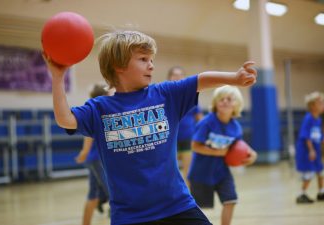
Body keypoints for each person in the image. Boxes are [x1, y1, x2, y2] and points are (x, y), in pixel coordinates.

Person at [43, 30, 257, 225]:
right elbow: (65, 119)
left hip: (177, 206)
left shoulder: (165, 95)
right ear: (119, 65)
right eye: (143, 59)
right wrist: (58, 78)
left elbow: (201, 79)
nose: (152, 65)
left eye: (151, 59)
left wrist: (234, 79)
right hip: (130, 216)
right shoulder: (100, 108)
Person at [187, 85, 257, 225]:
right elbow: (195, 146)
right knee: (198, 210)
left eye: (229, 99)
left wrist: (252, 154)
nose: (225, 101)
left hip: (222, 172)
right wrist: (217, 152)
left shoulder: (235, 127)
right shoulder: (206, 122)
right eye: (221, 99)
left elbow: (238, 145)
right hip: (201, 173)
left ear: (236, 104)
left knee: (230, 200)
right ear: (215, 103)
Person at [75, 83, 112, 225]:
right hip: (98, 159)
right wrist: (84, 151)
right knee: (113, 195)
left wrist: (84, 153)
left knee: (93, 195)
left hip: (95, 159)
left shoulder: (98, 111)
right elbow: (88, 136)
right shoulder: (99, 112)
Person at [168, 66, 203, 187]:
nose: (177, 77)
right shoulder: (165, 97)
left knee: (188, 172)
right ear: (169, 78)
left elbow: (200, 120)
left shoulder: (191, 96)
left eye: (180, 75)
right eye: (174, 75)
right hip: (170, 140)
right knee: (170, 172)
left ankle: (189, 199)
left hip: (188, 138)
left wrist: (202, 137)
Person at [295, 91, 324, 204]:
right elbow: (306, 136)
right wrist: (311, 150)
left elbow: (319, 135)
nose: (323, 105)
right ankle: (301, 194)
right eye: (320, 103)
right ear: (312, 106)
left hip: (315, 152)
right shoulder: (308, 119)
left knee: (321, 171)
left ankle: (321, 192)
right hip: (307, 152)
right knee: (309, 173)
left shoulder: (318, 119)